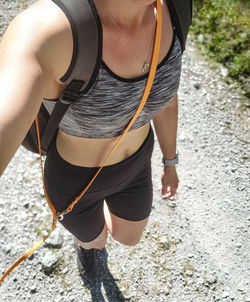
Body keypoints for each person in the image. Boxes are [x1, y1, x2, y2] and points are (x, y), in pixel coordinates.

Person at [0, 0, 180, 282]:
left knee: (129, 238)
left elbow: (166, 102)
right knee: (95, 241)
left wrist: (170, 162)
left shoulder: (176, 9)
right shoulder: (48, 31)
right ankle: (86, 246)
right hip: (75, 184)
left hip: (137, 165)